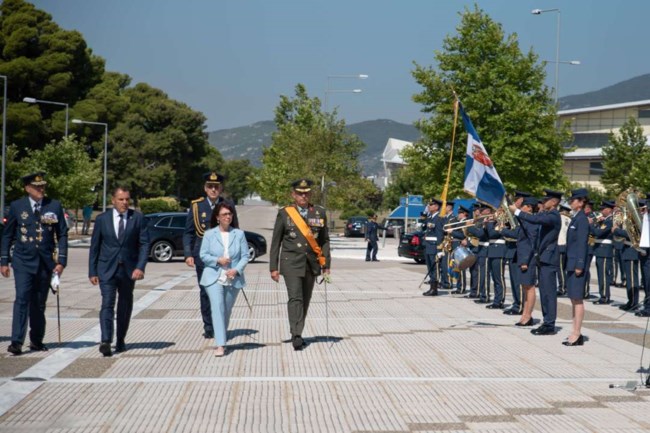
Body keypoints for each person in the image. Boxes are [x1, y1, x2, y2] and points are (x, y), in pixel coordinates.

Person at [1, 172, 68, 355]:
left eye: (42, 186)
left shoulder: (53, 205)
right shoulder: (17, 206)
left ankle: (37, 340)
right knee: (22, 299)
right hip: (23, 261)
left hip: (45, 263)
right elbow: (7, 235)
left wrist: (61, 261)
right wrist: (4, 260)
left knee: (39, 303)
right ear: (27, 188)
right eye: (37, 187)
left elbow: (62, 234)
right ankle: (16, 341)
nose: (41, 189)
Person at [270, 178, 331, 351]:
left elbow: (324, 240)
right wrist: (273, 267)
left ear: (310, 194)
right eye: (299, 193)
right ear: (293, 194)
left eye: (306, 193)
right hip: (291, 262)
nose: (303, 196)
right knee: (295, 297)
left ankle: (298, 329)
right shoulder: (285, 213)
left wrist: (326, 264)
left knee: (305, 299)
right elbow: (276, 242)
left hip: (311, 263)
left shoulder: (319, 212)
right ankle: (296, 334)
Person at [89, 187, 149, 356]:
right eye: (121, 199)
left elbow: (144, 244)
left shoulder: (137, 218)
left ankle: (120, 339)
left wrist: (140, 267)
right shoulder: (102, 219)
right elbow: (95, 247)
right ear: (113, 200)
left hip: (129, 271)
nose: (124, 203)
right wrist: (92, 271)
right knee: (107, 303)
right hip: (107, 269)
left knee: (124, 305)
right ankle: (106, 340)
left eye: (127, 199)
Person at [184, 171, 239, 340]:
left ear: (221, 188)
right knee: (206, 292)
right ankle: (209, 325)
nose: (213, 189)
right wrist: (188, 254)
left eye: (216, 187)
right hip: (203, 256)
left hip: (224, 256)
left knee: (223, 291)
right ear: (205, 188)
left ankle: (219, 324)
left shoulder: (228, 205)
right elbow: (188, 233)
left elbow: (235, 231)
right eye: (210, 187)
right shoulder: (196, 206)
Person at [200, 201, 249, 357]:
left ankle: (222, 335)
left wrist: (236, 269)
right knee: (218, 307)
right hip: (213, 276)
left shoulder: (239, 234)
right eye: (224, 214)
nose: (227, 217)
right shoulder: (209, 234)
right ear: (217, 217)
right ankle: (220, 344)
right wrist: (217, 260)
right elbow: (203, 255)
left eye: (229, 214)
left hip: (232, 278)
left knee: (226, 310)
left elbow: (245, 256)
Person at [510, 189, 562, 336]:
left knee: (549, 293)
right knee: (544, 292)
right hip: (543, 258)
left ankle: (549, 324)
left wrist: (517, 212)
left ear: (553, 202)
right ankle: (547, 322)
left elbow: (535, 220)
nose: (542, 203)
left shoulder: (554, 216)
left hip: (549, 258)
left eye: (546, 200)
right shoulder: (545, 214)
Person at [502, 197, 538, 326]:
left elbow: (530, 243)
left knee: (529, 287)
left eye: (523, 206)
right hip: (522, 257)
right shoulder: (526, 221)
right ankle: (525, 315)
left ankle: (528, 316)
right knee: (525, 287)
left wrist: (525, 261)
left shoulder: (532, 222)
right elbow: (518, 232)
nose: (521, 208)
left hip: (527, 259)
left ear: (529, 207)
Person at [563, 189, 590, 346]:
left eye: (573, 200)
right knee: (573, 298)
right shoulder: (576, 218)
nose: (571, 203)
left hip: (576, 264)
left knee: (577, 299)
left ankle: (577, 332)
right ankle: (574, 331)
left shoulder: (582, 220)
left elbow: (582, 244)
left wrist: (580, 264)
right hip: (571, 263)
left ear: (581, 202)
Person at [591, 201, 615, 305]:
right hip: (600, 250)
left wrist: (590, 224)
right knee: (601, 275)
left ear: (609, 209)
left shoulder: (610, 221)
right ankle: (603, 295)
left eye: (603, 209)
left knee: (603, 276)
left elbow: (598, 233)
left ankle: (605, 297)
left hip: (605, 250)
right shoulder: (605, 220)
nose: (601, 211)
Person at [422, 198, 444, 296]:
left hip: (434, 246)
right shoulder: (430, 217)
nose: (429, 206)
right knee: (430, 268)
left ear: (436, 207)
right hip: (428, 246)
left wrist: (439, 249)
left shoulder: (439, 218)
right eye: (429, 205)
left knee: (434, 268)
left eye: (431, 205)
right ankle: (432, 287)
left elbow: (440, 235)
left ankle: (434, 289)